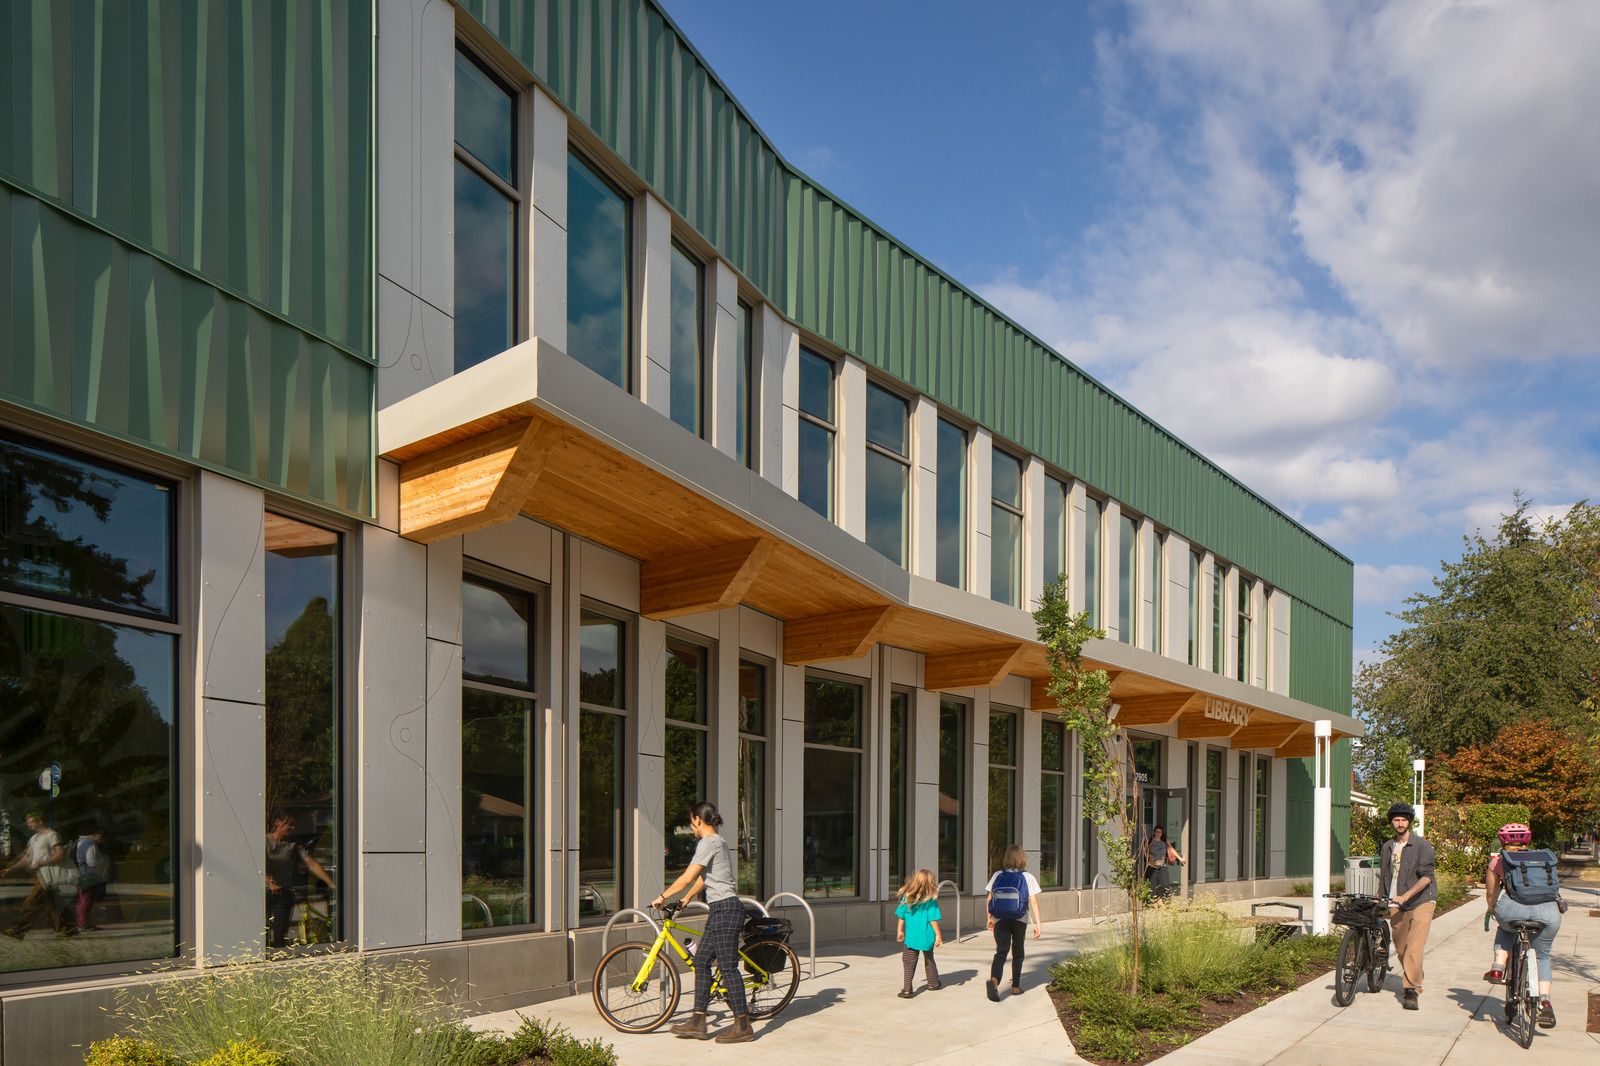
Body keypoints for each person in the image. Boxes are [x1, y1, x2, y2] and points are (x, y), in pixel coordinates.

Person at [652, 801, 755, 1044]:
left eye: (692, 821)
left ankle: (743, 1025)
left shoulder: (708, 842)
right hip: (721, 909)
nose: (691, 826)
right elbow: (704, 878)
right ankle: (698, 1020)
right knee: (701, 961)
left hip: (726, 910)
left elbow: (688, 876)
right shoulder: (718, 842)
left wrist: (663, 896)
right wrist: (686, 898)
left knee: (728, 967)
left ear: (698, 819)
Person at [1482, 822, 1562, 1028]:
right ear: (1528, 840)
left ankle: (1498, 967)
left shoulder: (1500, 860)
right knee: (1542, 955)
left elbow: (1491, 892)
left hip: (1513, 909)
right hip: (1549, 913)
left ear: (1502, 841)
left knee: (1505, 926)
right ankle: (1545, 1001)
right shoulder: (1544, 858)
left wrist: (1491, 908)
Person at [1378, 801, 1436, 1011]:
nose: (1400, 823)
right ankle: (1414, 974)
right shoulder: (1387, 847)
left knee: (1414, 947)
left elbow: (1427, 877)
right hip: (1396, 902)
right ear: (1391, 822)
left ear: (1409, 822)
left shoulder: (1422, 845)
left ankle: (1411, 991)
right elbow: (1385, 876)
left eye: (1403, 820)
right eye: (1396, 820)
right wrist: (1381, 898)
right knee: (1401, 948)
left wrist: (1407, 895)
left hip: (1422, 901)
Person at [264, 808, 335, 949]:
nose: (292, 827)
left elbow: (311, 863)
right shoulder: (264, 841)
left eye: (294, 824)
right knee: (261, 933)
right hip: (265, 893)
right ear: (277, 823)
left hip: (284, 893)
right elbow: (256, 864)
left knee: (279, 934)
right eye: (289, 824)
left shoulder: (294, 844)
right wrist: (268, 881)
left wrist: (331, 883)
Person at [3, 811, 76, 940]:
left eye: (31, 821)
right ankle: (68, 928)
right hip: (39, 875)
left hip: (47, 876)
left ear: (40, 821)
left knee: (30, 903)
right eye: (28, 822)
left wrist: (40, 862)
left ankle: (18, 930)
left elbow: (59, 855)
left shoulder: (52, 835)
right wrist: (10, 869)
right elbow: (27, 857)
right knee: (51, 903)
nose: (28, 825)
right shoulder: (34, 838)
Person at [984, 844, 1043, 1001]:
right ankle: (1016, 987)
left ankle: (994, 981)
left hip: (1000, 919)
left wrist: (989, 918)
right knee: (1018, 952)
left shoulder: (997, 875)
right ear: (1022, 858)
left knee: (1001, 952)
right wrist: (1038, 924)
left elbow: (989, 898)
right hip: (1019, 919)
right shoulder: (1028, 877)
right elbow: (1034, 902)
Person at [894, 868, 943, 998]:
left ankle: (907, 989)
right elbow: (933, 920)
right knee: (929, 959)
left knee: (908, 961)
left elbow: (901, 916)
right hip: (927, 936)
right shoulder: (931, 901)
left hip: (911, 937)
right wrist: (938, 935)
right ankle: (933, 983)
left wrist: (899, 931)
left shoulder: (907, 897)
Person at [74, 826, 112, 931]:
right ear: (97, 835)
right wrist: (103, 863)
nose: (103, 841)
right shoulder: (89, 844)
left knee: (83, 900)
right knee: (87, 900)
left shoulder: (80, 842)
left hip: (82, 874)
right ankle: (83, 923)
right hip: (89, 875)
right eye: (103, 838)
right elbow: (92, 862)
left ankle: (82, 922)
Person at [1141, 825, 1183, 899]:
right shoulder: (1150, 840)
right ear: (1154, 832)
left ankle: (1163, 901)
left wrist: (1179, 858)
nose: (1158, 833)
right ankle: (1153, 903)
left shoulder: (1164, 840)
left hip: (1162, 867)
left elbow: (1171, 849)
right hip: (1152, 867)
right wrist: (1149, 857)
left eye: (1160, 832)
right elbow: (1144, 851)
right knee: (1152, 886)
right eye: (1157, 832)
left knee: (1165, 885)